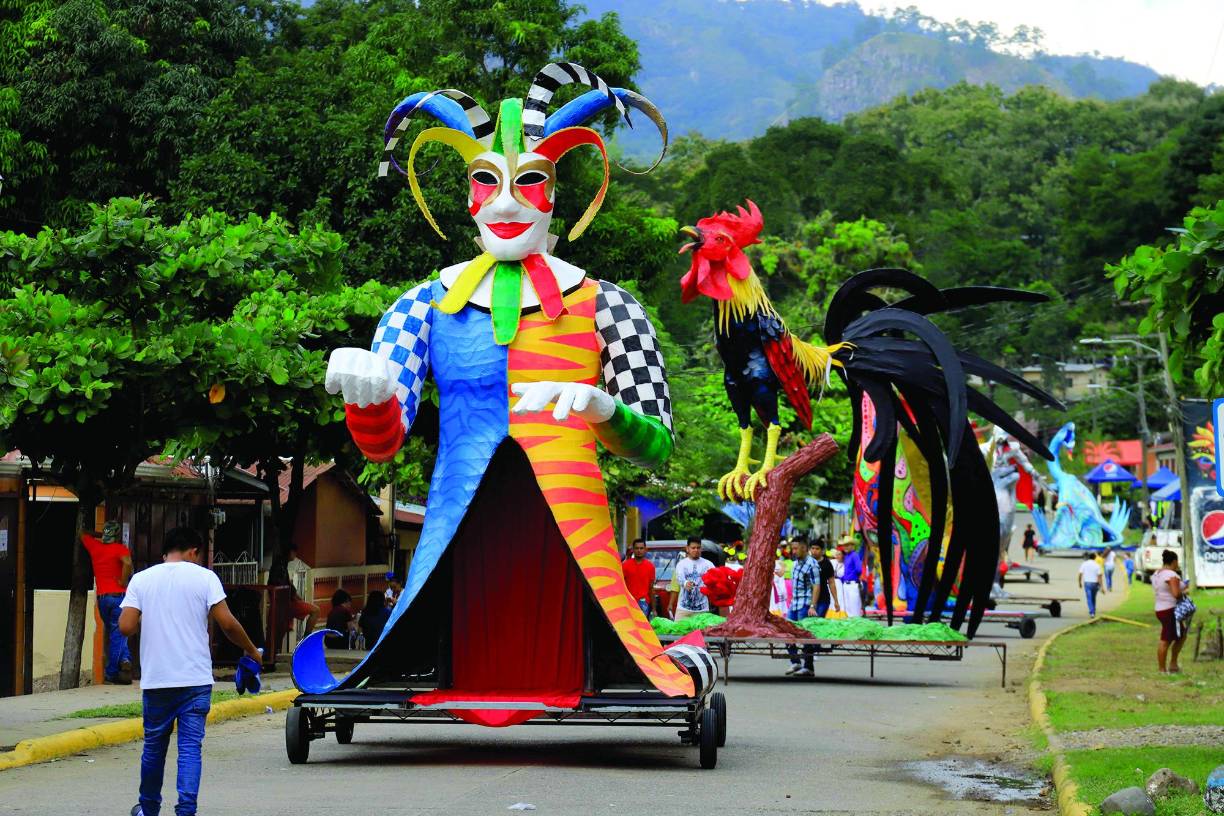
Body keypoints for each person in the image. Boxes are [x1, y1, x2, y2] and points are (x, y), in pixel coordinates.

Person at [118, 527, 262, 816]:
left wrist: (149, 613)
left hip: (158, 680)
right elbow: (228, 624)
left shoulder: (142, 580)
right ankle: (186, 810)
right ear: (193, 551)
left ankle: (148, 809)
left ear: (165, 553)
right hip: (195, 680)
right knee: (189, 749)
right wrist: (251, 650)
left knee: (154, 749)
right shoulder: (205, 578)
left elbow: (126, 626)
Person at [82, 520, 133, 684]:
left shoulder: (95, 547)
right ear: (117, 535)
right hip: (119, 596)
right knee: (118, 633)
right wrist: (123, 581)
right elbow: (127, 562)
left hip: (103, 599)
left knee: (114, 631)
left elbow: (82, 533)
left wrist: (101, 533)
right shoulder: (120, 549)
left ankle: (125, 659)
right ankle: (111, 672)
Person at [785, 540, 820, 676]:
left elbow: (816, 586)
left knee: (805, 635)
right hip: (794, 604)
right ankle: (795, 662)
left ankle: (808, 666)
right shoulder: (796, 564)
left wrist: (812, 605)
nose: (793, 551)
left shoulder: (812, 564)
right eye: (792, 548)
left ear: (804, 548)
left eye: (796, 548)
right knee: (786, 632)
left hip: (805, 605)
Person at [269, 544, 319, 640]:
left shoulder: (281, 564)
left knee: (279, 635)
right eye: (294, 552)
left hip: (282, 604)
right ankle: (306, 639)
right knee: (316, 610)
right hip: (285, 604)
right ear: (290, 552)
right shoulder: (280, 566)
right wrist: (296, 599)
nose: (295, 555)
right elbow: (285, 587)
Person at [1152, 549, 1189, 673]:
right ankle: (1162, 669)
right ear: (1174, 561)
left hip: (1160, 608)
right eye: (1177, 562)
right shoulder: (1170, 575)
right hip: (1169, 610)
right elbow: (1176, 594)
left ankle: (1173, 664)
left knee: (1181, 636)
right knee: (1166, 639)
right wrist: (1184, 592)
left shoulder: (1157, 573)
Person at [670, 538, 715, 620]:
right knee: (680, 632)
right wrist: (685, 583)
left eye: (698, 548)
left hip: (702, 610)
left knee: (702, 633)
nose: (696, 550)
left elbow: (715, 580)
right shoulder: (681, 564)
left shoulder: (709, 564)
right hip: (684, 610)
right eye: (693, 548)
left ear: (701, 549)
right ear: (687, 548)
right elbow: (680, 578)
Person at [622, 538, 656, 618]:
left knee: (641, 628)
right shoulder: (625, 566)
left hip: (644, 603)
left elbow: (651, 589)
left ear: (645, 550)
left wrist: (654, 609)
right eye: (637, 548)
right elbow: (621, 586)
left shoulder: (650, 566)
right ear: (633, 550)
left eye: (641, 548)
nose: (639, 550)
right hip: (628, 602)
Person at [810, 540, 840, 619]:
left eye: (817, 549)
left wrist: (836, 601)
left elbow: (831, 583)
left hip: (823, 599)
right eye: (812, 548)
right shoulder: (807, 562)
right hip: (808, 599)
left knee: (818, 621)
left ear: (822, 550)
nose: (814, 551)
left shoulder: (827, 564)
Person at [838, 540, 864, 617]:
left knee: (854, 608)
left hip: (852, 584)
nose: (845, 547)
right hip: (846, 584)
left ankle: (856, 626)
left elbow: (859, 569)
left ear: (852, 546)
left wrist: (851, 576)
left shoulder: (854, 555)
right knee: (848, 608)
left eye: (847, 545)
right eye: (844, 545)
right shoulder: (846, 556)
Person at [1077, 551, 1103, 617]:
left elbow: (1080, 574)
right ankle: (1093, 611)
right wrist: (1101, 586)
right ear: (1095, 558)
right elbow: (1099, 576)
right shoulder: (1097, 565)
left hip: (1087, 583)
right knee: (1093, 598)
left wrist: (1079, 582)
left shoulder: (1084, 564)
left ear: (1088, 557)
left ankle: (1092, 612)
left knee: (1089, 598)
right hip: (1095, 583)